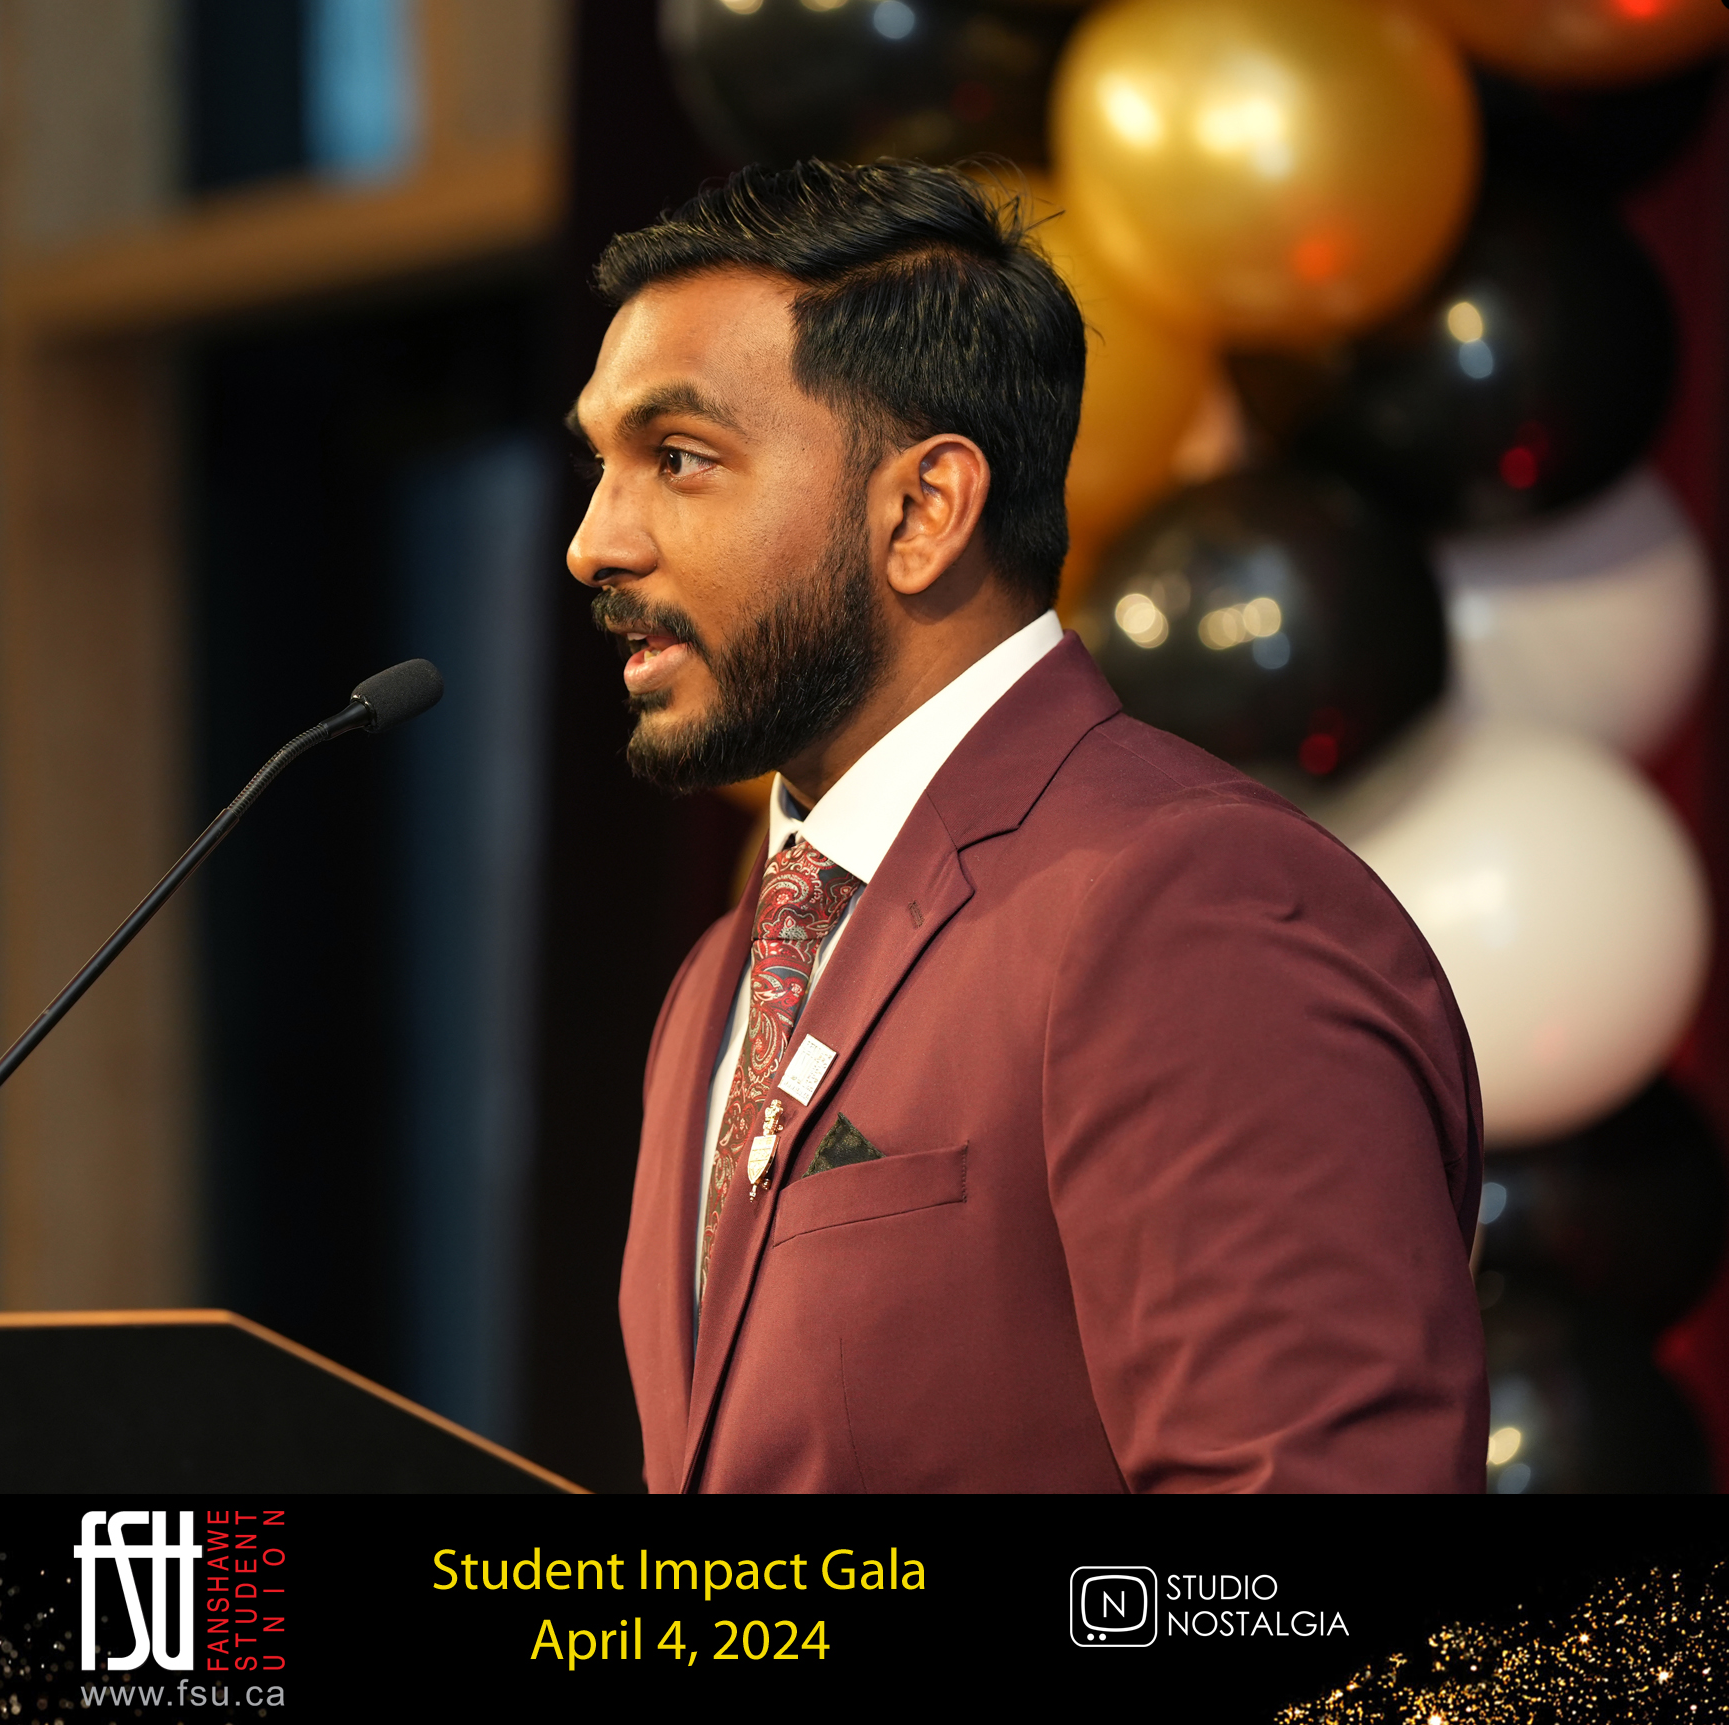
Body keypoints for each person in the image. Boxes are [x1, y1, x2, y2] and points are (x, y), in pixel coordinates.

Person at [566, 159, 1485, 1494]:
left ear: (924, 509)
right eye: (601, 464)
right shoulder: (722, 978)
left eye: (679, 459)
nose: (594, 542)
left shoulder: (1188, 901)